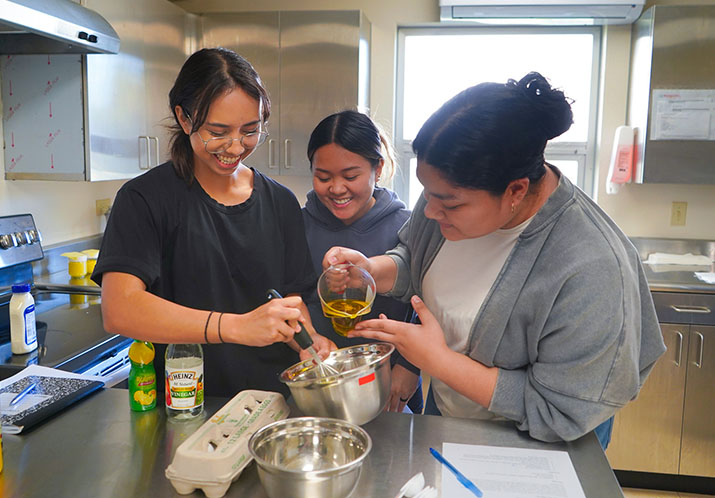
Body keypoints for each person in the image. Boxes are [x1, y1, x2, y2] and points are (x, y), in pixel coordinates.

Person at [323, 72, 665, 447]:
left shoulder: (591, 267)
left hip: (538, 443)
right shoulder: (445, 195)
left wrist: (439, 362)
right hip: (453, 413)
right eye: (427, 193)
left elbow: (558, 411)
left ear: (516, 190)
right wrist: (371, 271)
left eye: (448, 202)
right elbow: (415, 261)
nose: (431, 211)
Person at [92, 48, 334, 398]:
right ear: (185, 118)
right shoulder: (145, 198)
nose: (235, 147)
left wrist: (308, 343)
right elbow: (120, 309)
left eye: (250, 131)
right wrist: (236, 327)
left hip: (273, 402)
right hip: (185, 404)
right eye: (218, 132)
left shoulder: (280, 202)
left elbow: (292, 300)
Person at [302, 110, 422, 413]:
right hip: (320, 378)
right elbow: (289, 296)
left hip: (389, 381)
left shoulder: (406, 225)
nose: (337, 188)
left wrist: (410, 367)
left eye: (350, 176)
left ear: (377, 168)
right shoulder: (298, 224)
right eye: (323, 177)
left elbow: (427, 303)